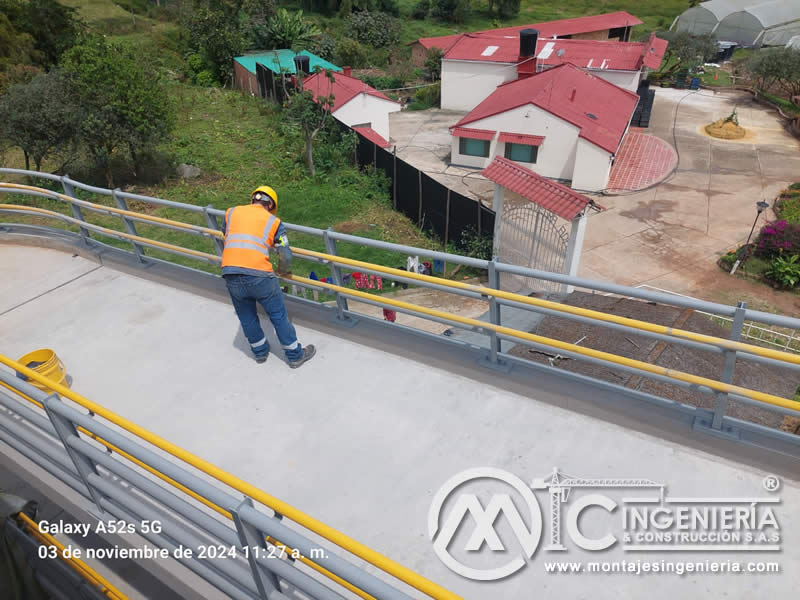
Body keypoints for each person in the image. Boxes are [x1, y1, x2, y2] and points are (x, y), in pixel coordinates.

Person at [221, 186, 315, 368]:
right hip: (260, 276)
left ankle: (260, 352)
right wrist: (282, 270)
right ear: (271, 205)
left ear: (252, 200)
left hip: (230, 272)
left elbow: (227, 234)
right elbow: (286, 255)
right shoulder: (274, 222)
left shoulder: (231, 212)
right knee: (278, 316)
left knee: (246, 316)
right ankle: (295, 355)